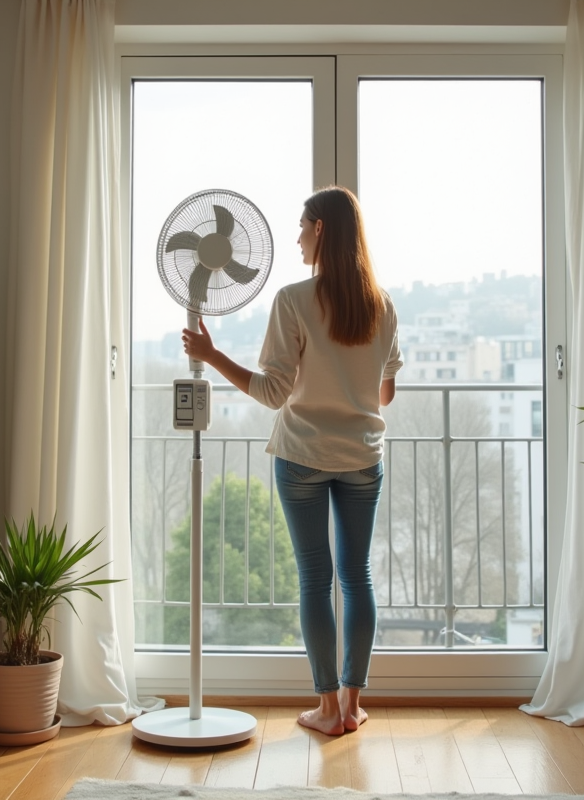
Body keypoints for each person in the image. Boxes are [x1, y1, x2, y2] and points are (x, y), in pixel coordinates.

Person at [182, 185, 402, 736]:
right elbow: (386, 395)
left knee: (315, 579)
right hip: (361, 457)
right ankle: (352, 706)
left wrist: (211, 355)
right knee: (357, 576)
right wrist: (348, 387)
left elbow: (273, 393)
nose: (298, 236)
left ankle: (326, 710)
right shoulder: (383, 304)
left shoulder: (293, 299)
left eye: (303, 225)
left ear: (321, 228)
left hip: (302, 455)